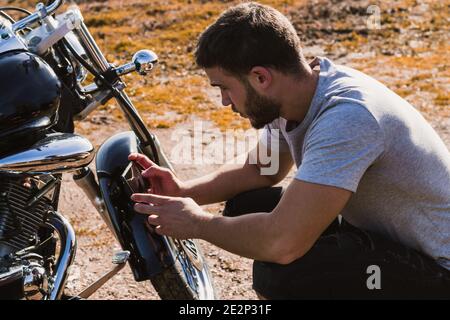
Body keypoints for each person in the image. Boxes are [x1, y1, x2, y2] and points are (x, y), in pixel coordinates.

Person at [129, 2, 450, 299]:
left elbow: (283, 243)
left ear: (260, 77)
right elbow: (261, 170)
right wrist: (186, 192)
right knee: (249, 206)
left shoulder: (348, 117)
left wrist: (198, 224)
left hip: (438, 270)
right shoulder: (300, 93)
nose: (225, 101)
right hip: (384, 236)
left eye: (224, 87)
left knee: (286, 273)